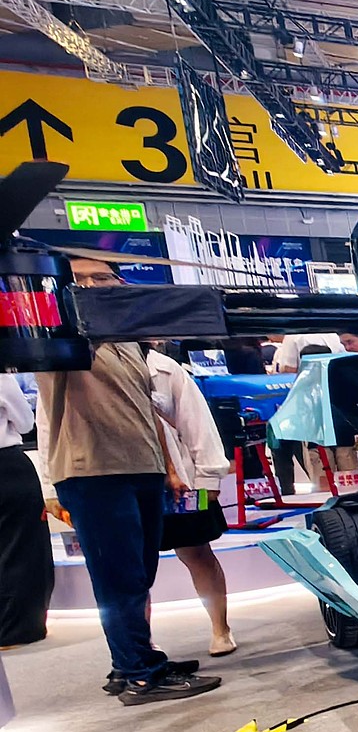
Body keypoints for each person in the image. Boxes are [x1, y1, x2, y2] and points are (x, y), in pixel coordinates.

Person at [37, 259, 219, 704]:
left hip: (142, 469)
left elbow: (147, 412)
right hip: (94, 472)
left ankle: (133, 659)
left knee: (137, 574)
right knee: (117, 578)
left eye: (102, 278)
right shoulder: (60, 336)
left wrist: (172, 471)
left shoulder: (131, 343)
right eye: (79, 280)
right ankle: (140, 674)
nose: (92, 286)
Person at [147, 345, 238, 657]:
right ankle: (139, 643)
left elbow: (196, 422)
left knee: (197, 553)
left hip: (179, 480)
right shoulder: (85, 362)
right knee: (132, 567)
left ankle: (220, 627)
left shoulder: (166, 368)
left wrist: (209, 475)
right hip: (122, 480)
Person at [0, 373, 52, 647]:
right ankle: (16, 628)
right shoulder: (3, 380)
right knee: (21, 545)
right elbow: (24, 422)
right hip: (8, 468)